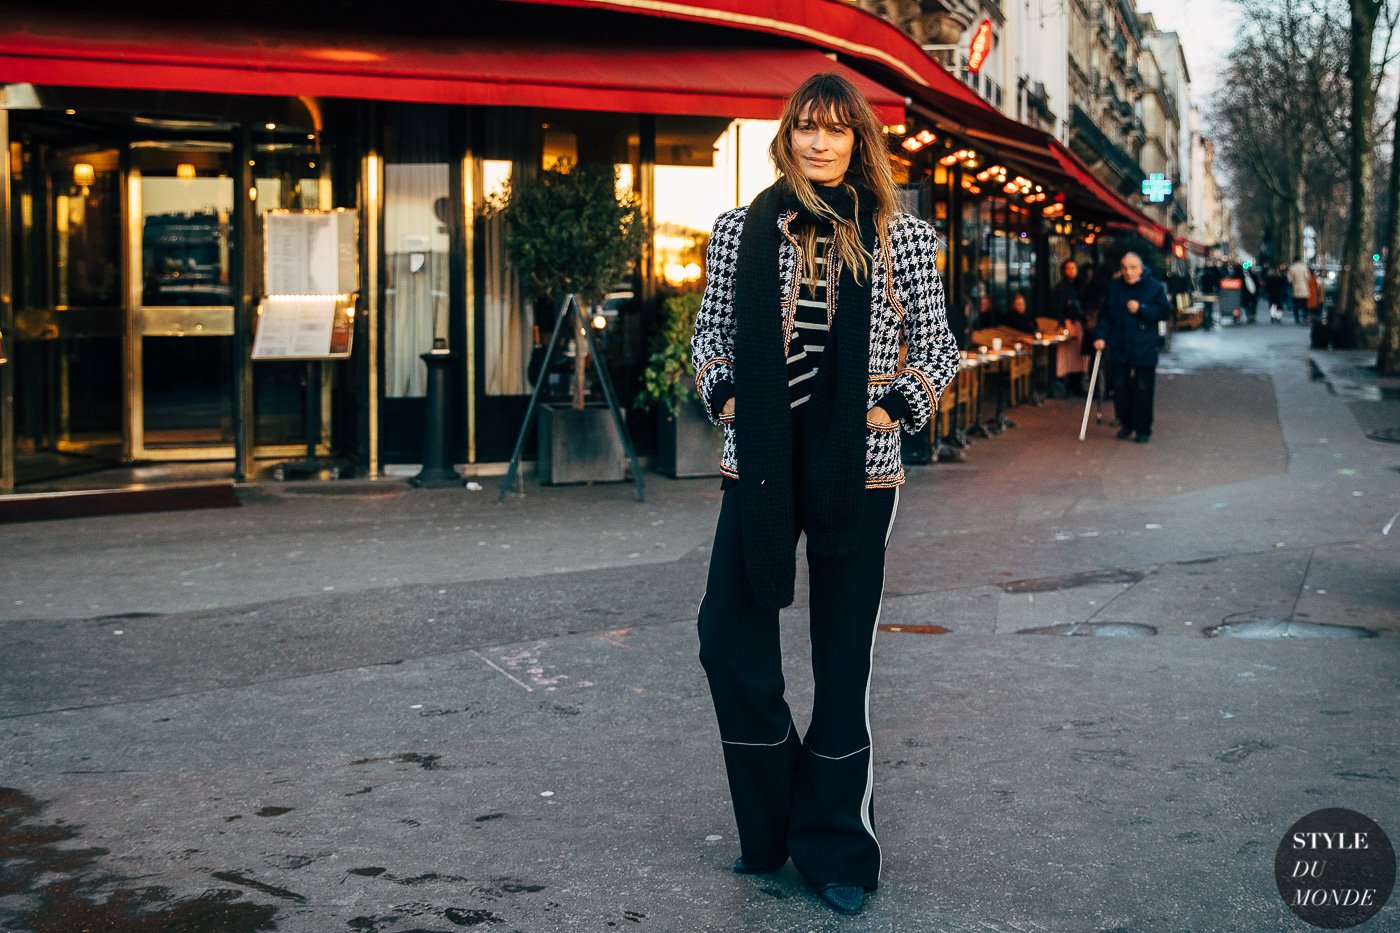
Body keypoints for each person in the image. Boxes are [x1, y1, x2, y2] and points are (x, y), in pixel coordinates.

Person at [690, 72, 959, 917]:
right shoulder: (741, 229)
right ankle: (774, 824)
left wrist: (889, 407)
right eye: (806, 126)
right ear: (787, 135)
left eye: (836, 129)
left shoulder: (900, 234)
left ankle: (838, 845)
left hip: (859, 465)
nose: (819, 141)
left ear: (859, 141)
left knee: (842, 663)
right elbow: (709, 333)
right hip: (761, 458)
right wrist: (730, 395)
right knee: (726, 637)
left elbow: (938, 347)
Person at [1093, 252, 1170, 442]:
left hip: (1144, 345)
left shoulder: (1154, 288)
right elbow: (1105, 315)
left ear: (1141, 268)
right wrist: (1100, 336)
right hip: (1120, 345)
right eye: (1125, 268)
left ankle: (1143, 428)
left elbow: (1164, 312)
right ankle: (1127, 423)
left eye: (1132, 267)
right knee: (1120, 386)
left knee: (1143, 388)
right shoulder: (1115, 288)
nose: (1128, 272)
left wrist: (1142, 309)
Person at [1051, 260, 1088, 394]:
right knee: (1067, 353)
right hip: (1068, 322)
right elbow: (1059, 306)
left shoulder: (1082, 286)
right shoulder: (1061, 287)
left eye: (1074, 268)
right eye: (1068, 268)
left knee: (1079, 352)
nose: (1071, 271)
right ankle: (1068, 382)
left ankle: (1077, 382)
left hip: (1079, 323)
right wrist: (1060, 324)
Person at [1287, 257, 1310, 324]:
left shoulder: (1292, 268)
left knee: (1296, 305)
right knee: (1304, 304)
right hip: (1304, 288)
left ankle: (1297, 318)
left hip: (1296, 288)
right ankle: (1305, 317)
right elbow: (1308, 277)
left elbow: (1289, 280)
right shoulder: (1304, 267)